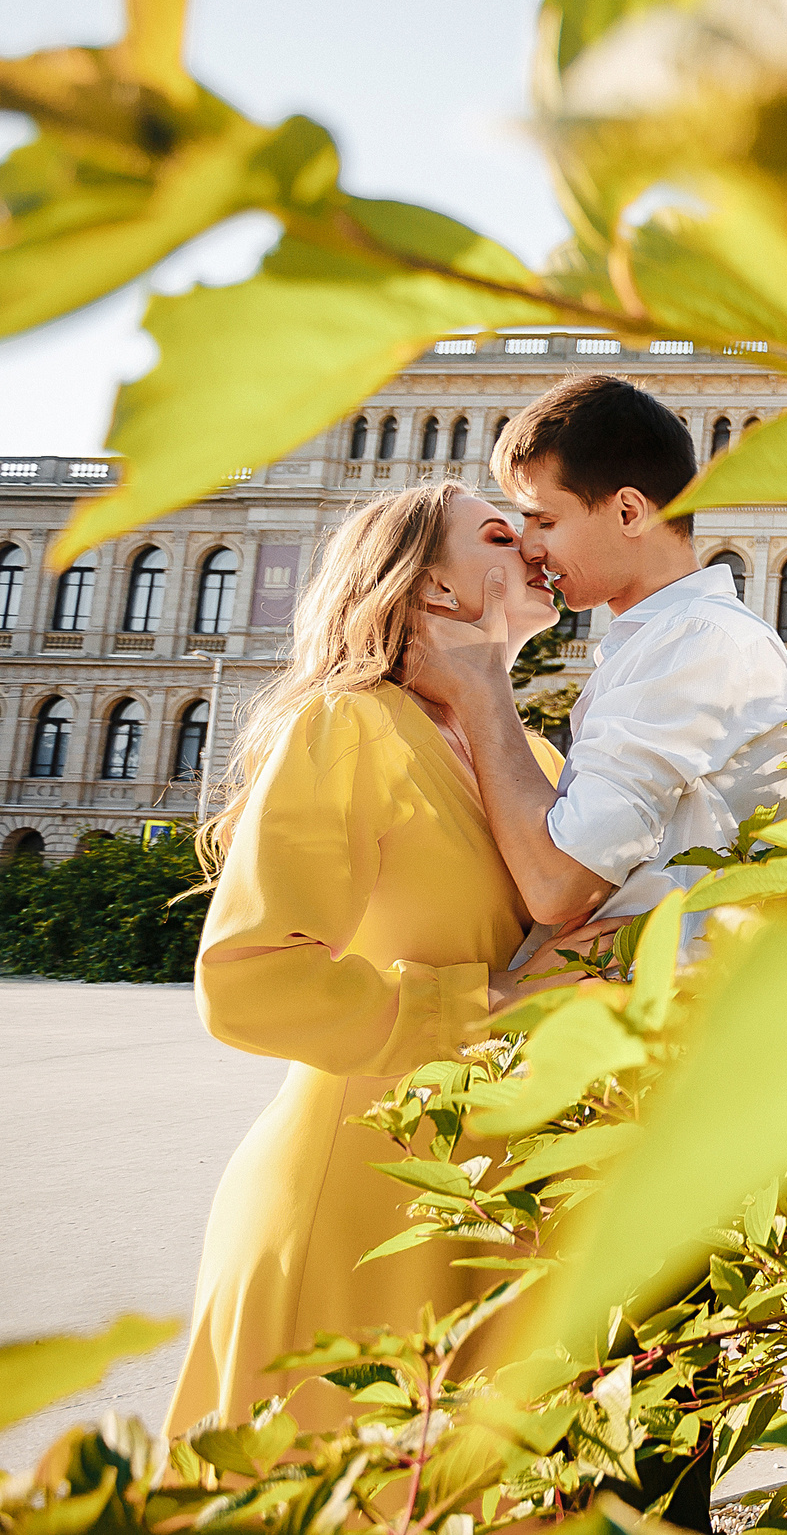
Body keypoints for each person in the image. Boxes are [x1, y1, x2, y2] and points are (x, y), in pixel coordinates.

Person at [168, 483, 566, 1433]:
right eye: (504, 534)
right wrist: (481, 1002)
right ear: (429, 585)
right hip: (357, 1205)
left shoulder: (542, 763)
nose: (540, 548)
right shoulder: (348, 725)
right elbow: (249, 980)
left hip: (495, 1216)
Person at [408, 373, 787, 957]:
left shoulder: (696, 642)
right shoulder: (661, 642)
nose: (529, 548)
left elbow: (560, 883)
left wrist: (484, 684)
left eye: (544, 520)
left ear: (627, 512)